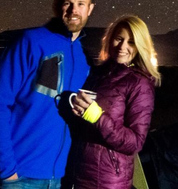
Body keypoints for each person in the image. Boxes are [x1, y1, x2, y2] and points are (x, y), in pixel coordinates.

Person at [0, 0, 96, 189]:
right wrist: (7, 171)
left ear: (90, 9)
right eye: (67, 3)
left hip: (58, 177)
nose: (74, 10)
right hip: (20, 175)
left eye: (81, 4)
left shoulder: (83, 59)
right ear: (56, 5)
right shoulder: (30, 42)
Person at [67, 14, 161, 189]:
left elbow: (135, 142)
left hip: (108, 181)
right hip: (79, 173)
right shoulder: (98, 74)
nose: (123, 46)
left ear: (140, 46)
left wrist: (97, 117)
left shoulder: (139, 83)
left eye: (131, 42)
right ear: (110, 39)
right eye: (119, 38)